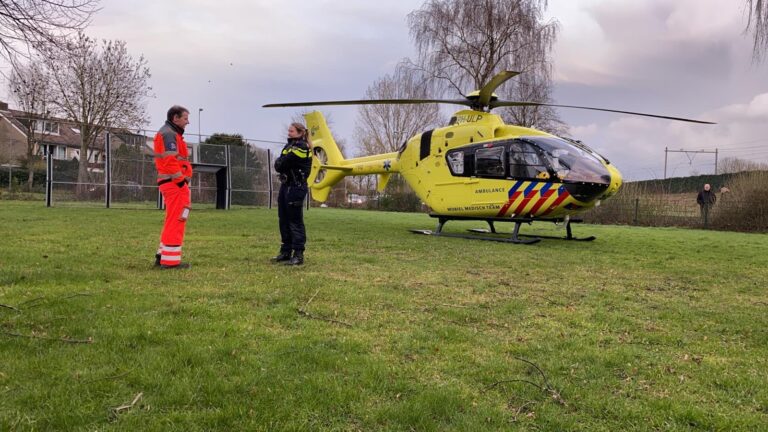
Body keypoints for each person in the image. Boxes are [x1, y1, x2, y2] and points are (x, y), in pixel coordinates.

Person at [153, 105, 193, 269]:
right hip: (174, 184)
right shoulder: (170, 135)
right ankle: (170, 262)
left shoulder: (170, 133)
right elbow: (170, 161)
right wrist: (181, 181)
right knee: (177, 219)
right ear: (175, 118)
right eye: (185, 118)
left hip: (171, 183)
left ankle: (162, 256)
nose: (187, 122)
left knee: (173, 219)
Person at [271, 122, 312, 266]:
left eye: (292, 131)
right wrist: (280, 162)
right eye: (289, 130)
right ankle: (286, 251)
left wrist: (281, 162)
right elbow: (278, 165)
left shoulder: (302, 147)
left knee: (295, 221)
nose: (289, 133)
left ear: (300, 132)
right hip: (285, 186)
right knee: (283, 220)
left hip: (296, 187)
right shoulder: (289, 146)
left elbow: (283, 163)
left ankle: (298, 254)